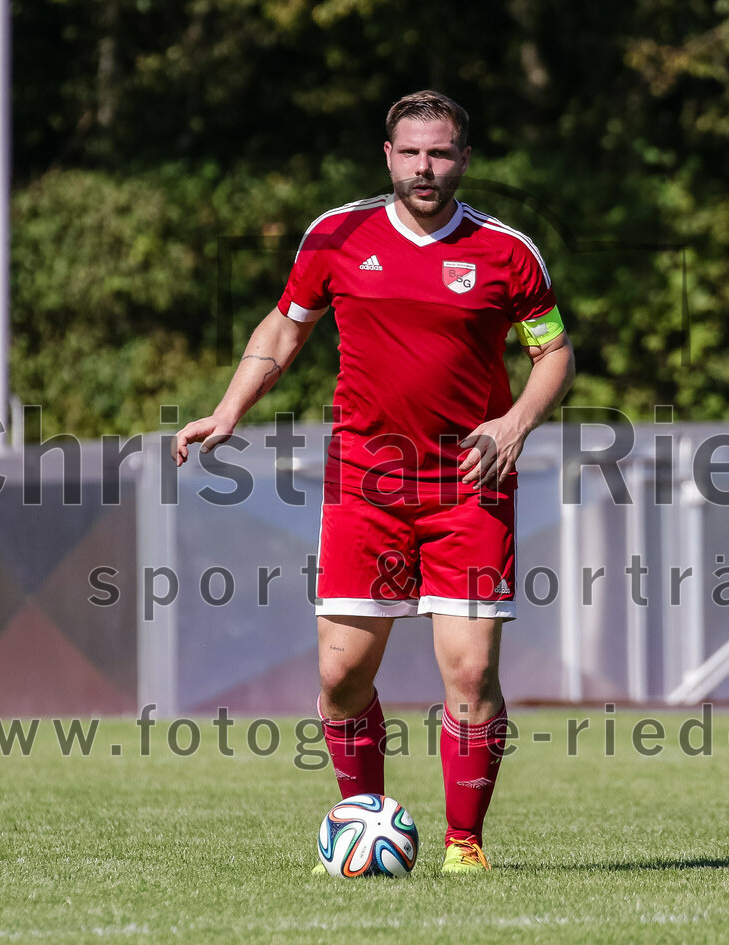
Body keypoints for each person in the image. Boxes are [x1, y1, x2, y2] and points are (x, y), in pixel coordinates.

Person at [173, 90, 574, 873]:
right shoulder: (338, 234)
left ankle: (465, 844)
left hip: (469, 485)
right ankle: (365, 817)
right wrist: (227, 410)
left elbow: (552, 352)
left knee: (470, 670)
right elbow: (285, 325)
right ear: (386, 155)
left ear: (465, 157)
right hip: (366, 483)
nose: (426, 167)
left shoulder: (508, 252)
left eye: (442, 152)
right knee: (340, 675)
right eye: (412, 152)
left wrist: (514, 424)